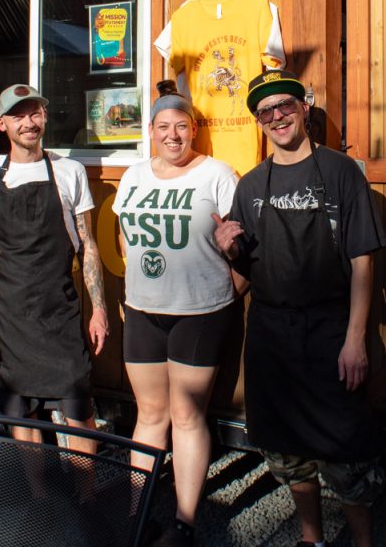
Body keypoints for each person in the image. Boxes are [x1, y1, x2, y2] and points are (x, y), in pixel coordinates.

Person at [213, 69, 386, 547]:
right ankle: (311, 538)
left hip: (331, 332)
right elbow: (244, 272)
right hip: (271, 335)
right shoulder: (249, 186)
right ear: (259, 123)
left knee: (348, 454)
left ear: (303, 109)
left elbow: (363, 260)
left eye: (284, 106)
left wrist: (355, 340)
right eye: (265, 112)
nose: (276, 117)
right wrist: (227, 251)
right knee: (287, 452)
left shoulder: (340, 172)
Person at [112, 82, 241, 546]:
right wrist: (135, 288)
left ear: (194, 131)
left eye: (181, 127)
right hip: (143, 312)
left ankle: (184, 523)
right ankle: (137, 514)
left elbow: (243, 248)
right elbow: (123, 234)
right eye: (163, 127)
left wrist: (226, 292)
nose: (172, 135)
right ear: (150, 131)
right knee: (149, 415)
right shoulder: (132, 176)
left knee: (187, 416)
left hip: (199, 313)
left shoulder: (218, 175)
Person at [0, 84, 108, 452]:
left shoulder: (70, 171)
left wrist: (100, 310)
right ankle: (39, 501)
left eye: (34, 113)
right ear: (2, 124)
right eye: (18, 115)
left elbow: (87, 245)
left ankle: (85, 500)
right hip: (10, 316)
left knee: (79, 412)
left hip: (59, 311)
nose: (28, 123)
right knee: (20, 415)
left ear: (44, 117)